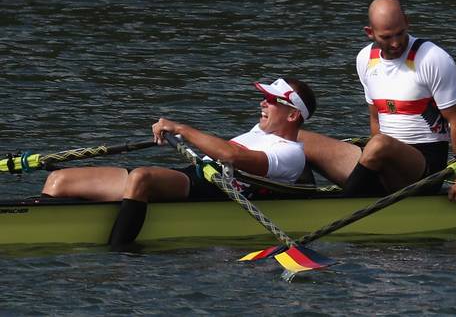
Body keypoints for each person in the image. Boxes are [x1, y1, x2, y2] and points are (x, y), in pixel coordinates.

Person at [41, 77, 316, 249]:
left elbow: (232, 157)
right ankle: (39, 228)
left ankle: (120, 256)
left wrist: (181, 129)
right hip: (196, 175)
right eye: (264, 98)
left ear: (293, 116)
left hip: (216, 190)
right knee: (60, 180)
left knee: (142, 178)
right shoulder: (260, 131)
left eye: (272, 100)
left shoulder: (290, 152)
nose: (263, 103)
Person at [299, 0, 456, 202]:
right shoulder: (365, 59)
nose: (395, 43)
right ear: (370, 33)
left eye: (400, 33)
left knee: (379, 144)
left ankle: (342, 209)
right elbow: (376, 119)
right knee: (298, 139)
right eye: (386, 37)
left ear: (407, 22)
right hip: (382, 159)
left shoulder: (433, 58)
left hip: (424, 171)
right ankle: (300, 201)